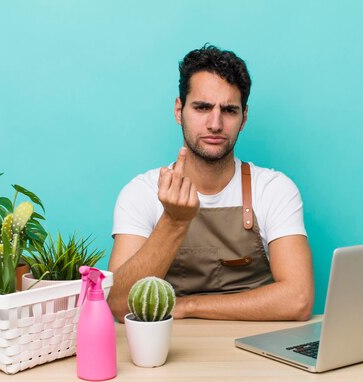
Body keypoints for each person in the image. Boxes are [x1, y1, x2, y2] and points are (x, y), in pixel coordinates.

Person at [107, 44, 313, 322]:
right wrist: (174, 221)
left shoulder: (274, 189)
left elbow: (298, 299)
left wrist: (189, 306)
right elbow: (119, 304)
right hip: (169, 349)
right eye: (202, 107)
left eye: (229, 110)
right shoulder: (141, 193)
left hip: (257, 348)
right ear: (179, 111)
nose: (215, 123)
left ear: (244, 118)